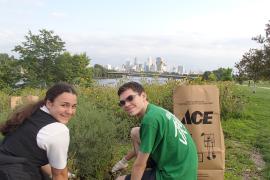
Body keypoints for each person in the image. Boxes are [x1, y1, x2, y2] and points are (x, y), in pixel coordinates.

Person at [113, 81, 198, 180]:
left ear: (143, 96)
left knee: (119, 179)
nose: (126, 104)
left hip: (175, 175)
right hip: (185, 168)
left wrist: (139, 167)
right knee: (135, 132)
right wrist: (124, 161)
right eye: (122, 103)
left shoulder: (150, 120)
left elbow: (139, 165)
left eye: (130, 98)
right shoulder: (156, 111)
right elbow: (145, 142)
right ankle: (149, 169)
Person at [0, 82, 77, 180]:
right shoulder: (57, 130)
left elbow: (33, 154)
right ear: (49, 103)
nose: (70, 111)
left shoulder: (32, 113)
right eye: (64, 105)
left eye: (73, 106)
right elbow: (60, 175)